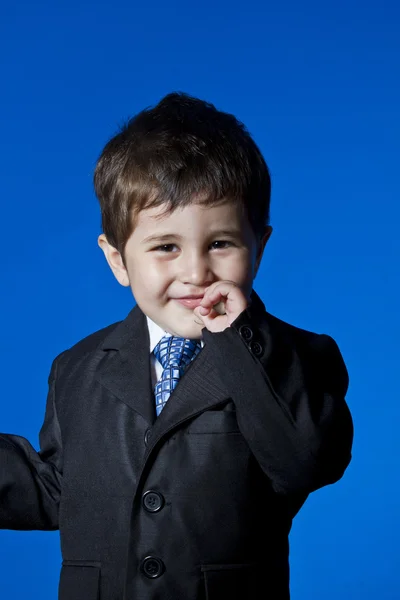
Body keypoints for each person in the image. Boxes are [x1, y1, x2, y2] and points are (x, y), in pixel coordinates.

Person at [0, 92, 353, 600]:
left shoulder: (300, 359)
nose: (195, 272)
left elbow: (304, 462)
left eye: (220, 244)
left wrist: (237, 341)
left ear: (259, 248)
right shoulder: (76, 368)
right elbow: (62, 487)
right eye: (166, 246)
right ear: (118, 260)